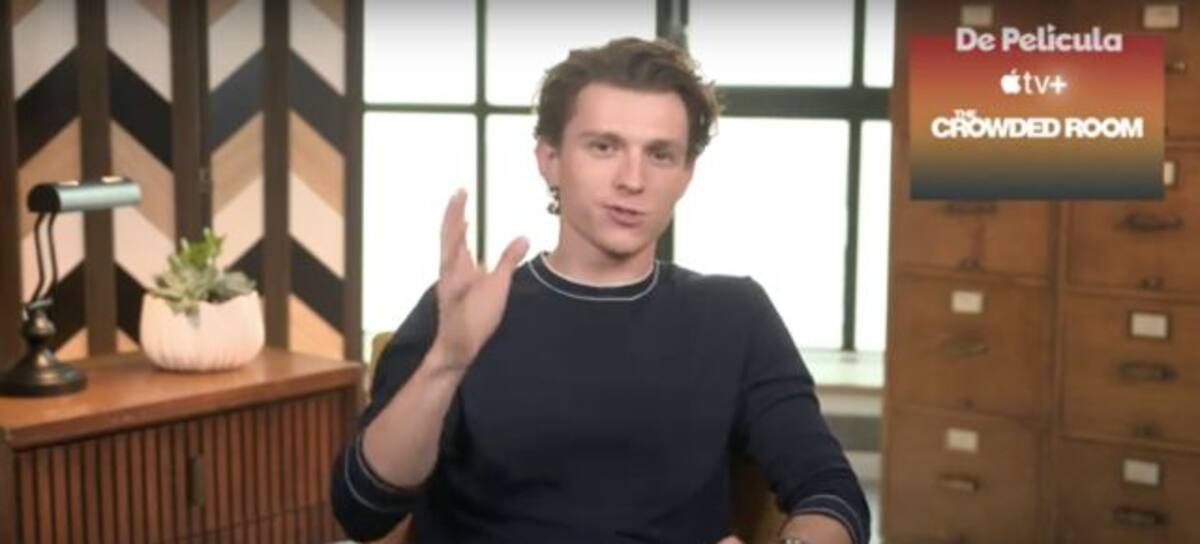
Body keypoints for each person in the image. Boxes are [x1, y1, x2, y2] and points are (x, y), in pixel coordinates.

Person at [331, 37, 870, 544]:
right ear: (550, 159)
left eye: (660, 154)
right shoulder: (464, 309)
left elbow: (832, 493)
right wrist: (447, 363)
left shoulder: (735, 314)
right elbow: (361, 510)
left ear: (686, 172)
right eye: (604, 146)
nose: (632, 180)